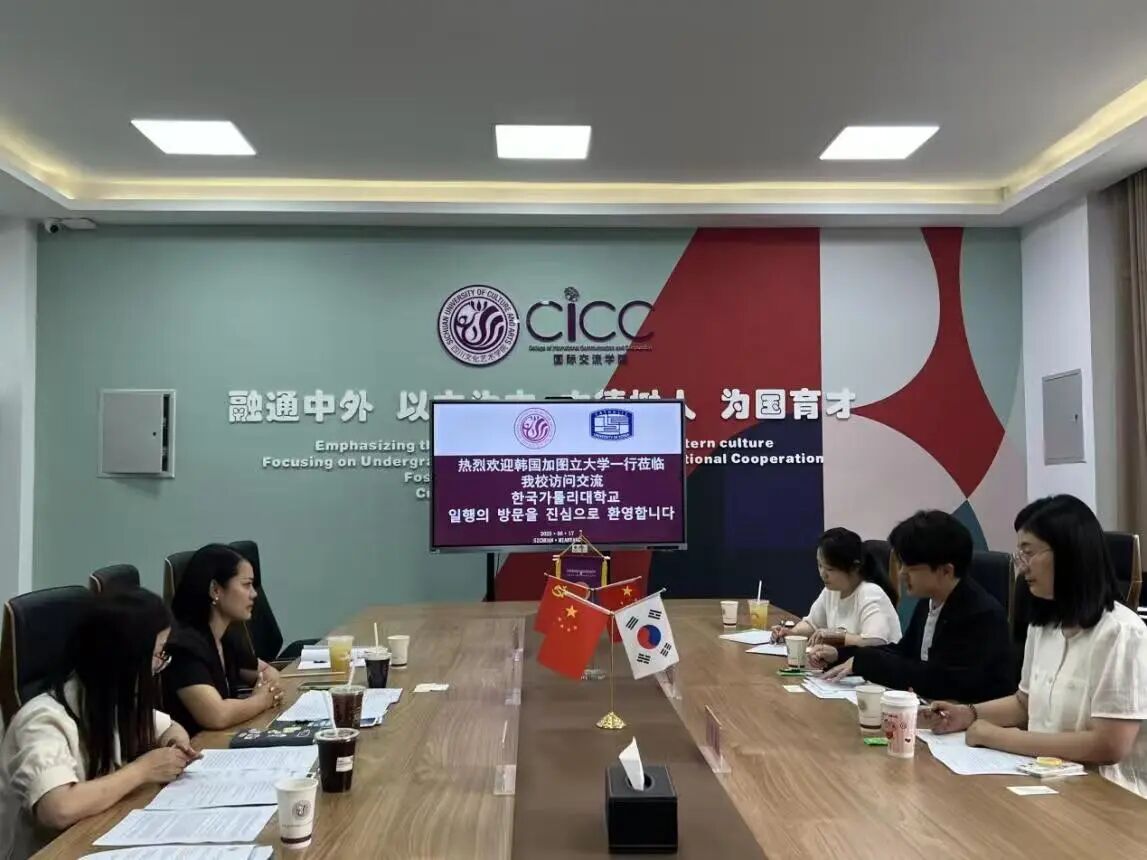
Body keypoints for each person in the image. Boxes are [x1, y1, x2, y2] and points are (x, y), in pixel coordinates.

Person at [922, 495, 1147, 799]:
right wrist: (968, 714)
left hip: (1105, 798)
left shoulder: (1122, 633)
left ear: (1068, 553)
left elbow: (1109, 745)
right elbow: (1024, 703)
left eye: (1028, 553)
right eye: (1020, 554)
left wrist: (999, 737)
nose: (1022, 566)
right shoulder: (1043, 625)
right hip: (1043, 782)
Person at [0, 588, 199, 860]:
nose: (160, 667)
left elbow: (170, 728)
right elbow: (58, 808)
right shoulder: (41, 721)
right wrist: (143, 770)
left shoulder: (109, 700)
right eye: (158, 655)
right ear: (125, 659)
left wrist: (175, 746)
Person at [808, 510, 1015, 702]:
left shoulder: (980, 615)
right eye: (901, 564)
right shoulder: (929, 602)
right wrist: (841, 655)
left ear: (946, 571)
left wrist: (865, 662)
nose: (901, 574)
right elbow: (903, 653)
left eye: (911, 567)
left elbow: (940, 680)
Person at [164, 543, 283, 736]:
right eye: (246, 585)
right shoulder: (183, 647)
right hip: (195, 747)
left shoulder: (224, 636)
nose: (254, 594)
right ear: (215, 590)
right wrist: (261, 700)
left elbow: (268, 672)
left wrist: (264, 691)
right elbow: (216, 715)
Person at [771, 528, 901, 648]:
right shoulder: (831, 591)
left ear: (855, 568)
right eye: (820, 565)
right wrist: (792, 633)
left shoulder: (871, 593)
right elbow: (813, 624)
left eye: (830, 569)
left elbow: (875, 641)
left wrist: (837, 637)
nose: (823, 574)